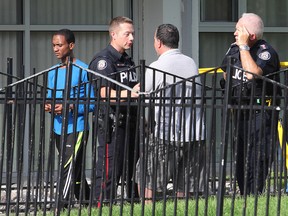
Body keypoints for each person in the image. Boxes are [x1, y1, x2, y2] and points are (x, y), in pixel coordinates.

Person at [136, 24, 205, 202]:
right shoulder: (190, 62)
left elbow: (143, 93)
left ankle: (147, 207)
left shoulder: (158, 65)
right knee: (185, 184)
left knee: (146, 175)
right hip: (194, 131)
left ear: (158, 42)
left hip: (167, 132)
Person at [221, 13, 280, 195]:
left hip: (260, 112)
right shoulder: (233, 49)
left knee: (258, 158)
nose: (235, 33)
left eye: (239, 30)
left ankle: (254, 195)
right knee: (240, 158)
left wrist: (244, 47)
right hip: (240, 111)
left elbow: (252, 74)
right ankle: (244, 194)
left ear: (251, 35)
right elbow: (226, 71)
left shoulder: (265, 52)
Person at [88, 16, 140, 204]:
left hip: (130, 122)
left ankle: (132, 203)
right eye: (127, 34)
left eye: (133, 34)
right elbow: (105, 93)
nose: (132, 38)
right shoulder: (104, 60)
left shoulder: (128, 60)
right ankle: (101, 206)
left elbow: (134, 87)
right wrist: (132, 94)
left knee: (130, 170)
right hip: (111, 125)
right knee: (109, 173)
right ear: (114, 34)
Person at [44, 29, 94, 205]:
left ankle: (61, 204)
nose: (56, 49)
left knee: (66, 167)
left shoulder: (83, 69)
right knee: (75, 169)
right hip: (58, 127)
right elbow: (50, 97)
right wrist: (49, 105)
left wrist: (70, 106)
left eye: (59, 45)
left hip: (77, 127)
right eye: (53, 45)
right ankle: (89, 201)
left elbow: (92, 101)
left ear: (71, 45)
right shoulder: (52, 72)